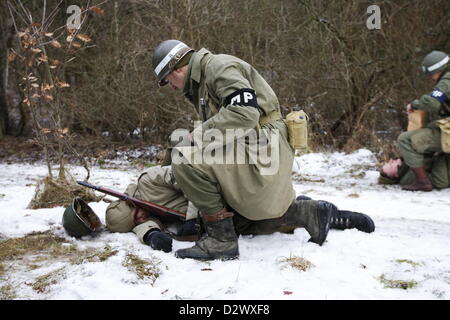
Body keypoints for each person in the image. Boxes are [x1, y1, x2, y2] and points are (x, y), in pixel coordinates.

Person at [150, 40, 375, 260]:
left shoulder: (218, 67)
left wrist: (195, 138)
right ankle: (310, 213)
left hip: (263, 147)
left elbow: (244, 114)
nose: (171, 87)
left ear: (177, 69)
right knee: (243, 219)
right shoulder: (204, 79)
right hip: (257, 144)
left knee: (184, 158)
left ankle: (221, 241)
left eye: (168, 80)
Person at [397, 50, 450, 191]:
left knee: (405, 139)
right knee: (441, 180)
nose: (431, 78)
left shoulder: (447, 80)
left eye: (431, 75)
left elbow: (432, 102)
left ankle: (422, 182)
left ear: (438, 70)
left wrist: (415, 104)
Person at [378, 153, 450, 189]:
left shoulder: (407, 164)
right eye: (391, 166)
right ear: (396, 175)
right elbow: (440, 181)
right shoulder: (407, 178)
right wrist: (440, 157)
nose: (391, 161)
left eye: (389, 162)